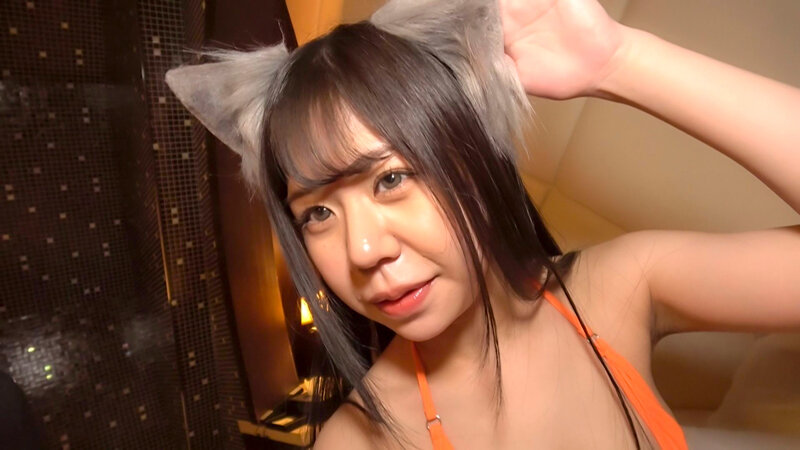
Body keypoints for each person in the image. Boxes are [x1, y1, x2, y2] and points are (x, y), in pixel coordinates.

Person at [166, 0, 800, 448]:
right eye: (319, 214)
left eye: (390, 179)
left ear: (472, 160)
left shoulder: (622, 287)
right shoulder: (358, 440)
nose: (361, 249)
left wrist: (619, 61)